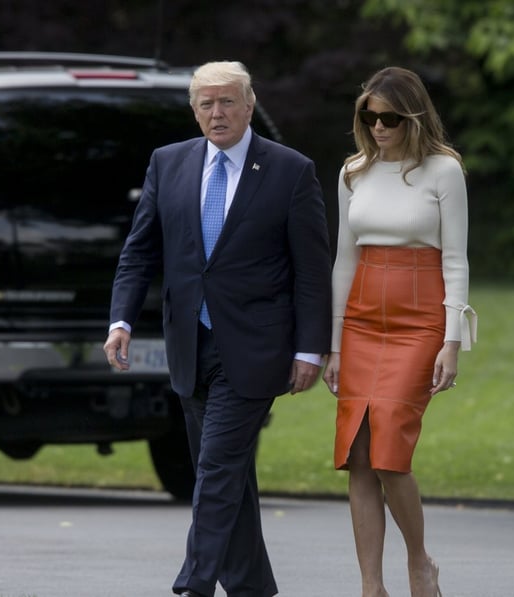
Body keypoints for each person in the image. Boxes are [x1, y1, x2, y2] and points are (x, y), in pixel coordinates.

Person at [104, 61, 332, 597]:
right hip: (190, 344)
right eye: (206, 103)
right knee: (228, 476)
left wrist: (311, 350)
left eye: (227, 101)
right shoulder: (169, 163)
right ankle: (253, 587)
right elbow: (140, 252)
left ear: (249, 106)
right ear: (194, 110)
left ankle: (194, 584)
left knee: (216, 465)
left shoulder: (290, 170)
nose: (217, 113)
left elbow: (312, 272)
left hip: (255, 348)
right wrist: (121, 320)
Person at [323, 66, 476, 597]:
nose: (379, 126)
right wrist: (334, 345)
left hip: (419, 321)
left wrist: (451, 342)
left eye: (389, 117)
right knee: (358, 455)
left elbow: (456, 261)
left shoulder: (443, 170)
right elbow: (343, 260)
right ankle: (371, 586)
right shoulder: (353, 172)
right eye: (369, 116)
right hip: (362, 318)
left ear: (412, 116)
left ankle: (418, 561)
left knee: (390, 450)